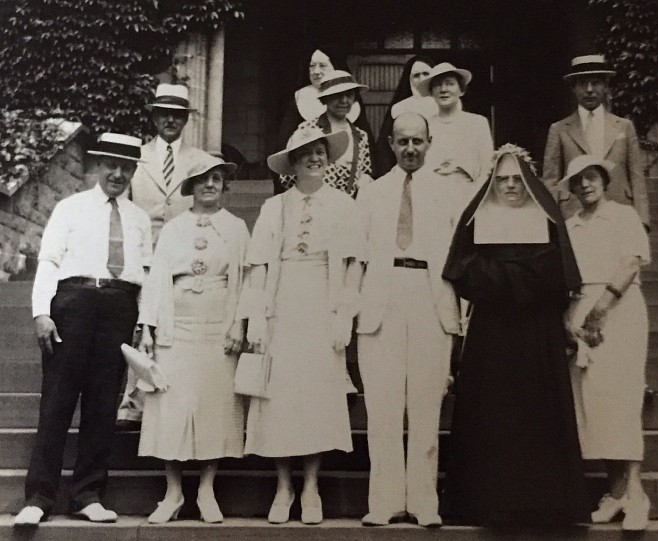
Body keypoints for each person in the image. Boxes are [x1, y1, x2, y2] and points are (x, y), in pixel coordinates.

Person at [441, 144, 590, 527]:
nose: (510, 186)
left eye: (517, 179)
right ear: (492, 181)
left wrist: (500, 275)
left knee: (537, 414)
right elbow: (463, 272)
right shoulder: (477, 219)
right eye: (502, 179)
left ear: (530, 181)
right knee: (494, 414)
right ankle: (489, 502)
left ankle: (544, 503)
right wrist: (520, 275)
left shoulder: (546, 218)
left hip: (537, 334)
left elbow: (556, 274)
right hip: (492, 336)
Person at [14, 134, 152, 526]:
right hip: (73, 304)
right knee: (57, 402)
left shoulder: (139, 219)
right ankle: (39, 496)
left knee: (103, 404)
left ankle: (88, 494)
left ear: (134, 171)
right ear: (98, 165)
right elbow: (50, 260)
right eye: (112, 164)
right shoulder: (70, 208)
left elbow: (145, 274)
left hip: (119, 307)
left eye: (127, 167)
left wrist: (143, 320)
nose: (119, 173)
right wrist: (42, 311)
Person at [240, 126, 363, 525]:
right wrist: (256, 314)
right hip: (282, 305)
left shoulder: (344, 205)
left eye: (321, 152)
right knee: (280, 398)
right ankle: (283, 486)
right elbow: (257, 264)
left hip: (322, 307)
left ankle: (311, 486)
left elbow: (353, 265)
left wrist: (345, 313)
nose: (315, 158)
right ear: (293, 163)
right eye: (306, 153)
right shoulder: (275, 208)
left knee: (316, 397)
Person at [356, 112, 461, 528]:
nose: (411, 149)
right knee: (382, 407)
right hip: (381, 297)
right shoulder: (372, 193)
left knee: (425, 406)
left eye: (418, 141)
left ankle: (423, 500)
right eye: (403, 142)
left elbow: (461, 257)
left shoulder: (450, 194)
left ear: (429, 143)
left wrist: (461, 317)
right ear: (391, 144)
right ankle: (383, 501)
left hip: (430, 297)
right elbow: (356, 255)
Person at [136, 155, 248, 524]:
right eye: (202, 179)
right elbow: (156, 280)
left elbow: (245, 282)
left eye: (217, 178)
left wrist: (239, 326)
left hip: (218, 325)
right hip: (176, 325)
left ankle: (206, 489)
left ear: (224, 185)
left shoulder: (235, 228)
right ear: (191, 187)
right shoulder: (173, 228)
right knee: (173, 404)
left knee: (214, 403)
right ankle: (173, 492)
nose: (210, 185)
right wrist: (149, 328)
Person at [560, 155, 651, 531]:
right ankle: (616, 493)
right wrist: (569, 319)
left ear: (604, 180)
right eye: (578, 180)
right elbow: (566, 278)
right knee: (595, 406)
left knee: (623, 401)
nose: (585, 185)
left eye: (592, 177)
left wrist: (599, 310)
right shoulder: (569, 226)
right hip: (581, 315)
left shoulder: (624, 216)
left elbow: (631, 264)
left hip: (620, 309)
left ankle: (636, 495)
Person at [117, 83, 213, 429]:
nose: (171, 120)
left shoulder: (200, 160)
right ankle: (133, 400)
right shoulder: (138, 158)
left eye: (178, 115)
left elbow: (208, 207)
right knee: (140, 325)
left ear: (186, 120)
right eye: (164, 114)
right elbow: (125, 211)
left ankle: (175, 397)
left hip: (185, 258)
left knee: (178, 330)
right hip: (147, 255)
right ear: (154, 117)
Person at [542, 54, 650, 230]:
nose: (590, 89)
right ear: (574, 89)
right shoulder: (560, 129)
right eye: (583, 83)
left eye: (595, 83)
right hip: (574, 215)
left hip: (620, 210)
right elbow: (550, 181)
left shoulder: (624, 126)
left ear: (606, 86)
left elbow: (637, 178)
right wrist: (554, 221)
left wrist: (642, 220)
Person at [278, 70, 374, 198]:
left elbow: (364, 172)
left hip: (350, 207)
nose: (344, 101)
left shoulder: (360, 136)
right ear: (325, 99)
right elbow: (287, 175)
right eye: (338, 95)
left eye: (349, 95)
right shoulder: (308, 129)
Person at [416, 62, 493, 211]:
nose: (443, 89)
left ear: (461, 90)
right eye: (437, 85)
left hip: (468, 196)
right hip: (432, 198)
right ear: (431, 92)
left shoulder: (478, 123)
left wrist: (474, 202)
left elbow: (487, 168)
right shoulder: (424, 125)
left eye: (450, 84)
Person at [374, 55, 437, 177]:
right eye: (416, 75)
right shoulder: (399, 108)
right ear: (409, 79)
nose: (421, 79)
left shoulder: (444, 106)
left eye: (426, 74)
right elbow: (385, 151)